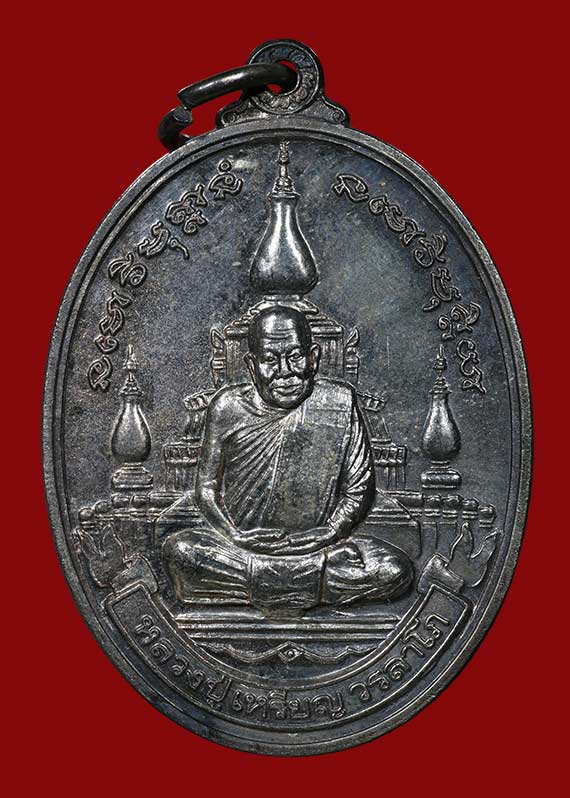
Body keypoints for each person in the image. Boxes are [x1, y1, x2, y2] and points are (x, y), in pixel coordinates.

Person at [163, 306, 413, 615]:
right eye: (270, 360)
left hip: (318, 547)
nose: (285, 371)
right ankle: (307, 583)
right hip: (246, 549)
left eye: (295, 357)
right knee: (181, 552)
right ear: (252, 366)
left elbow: (359, 488)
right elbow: (206, 490)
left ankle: (265, 585)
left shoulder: (339, 402)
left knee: (394, 569)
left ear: (314, 358)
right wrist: (235, 535)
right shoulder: (227, 407)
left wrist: (331, 532)